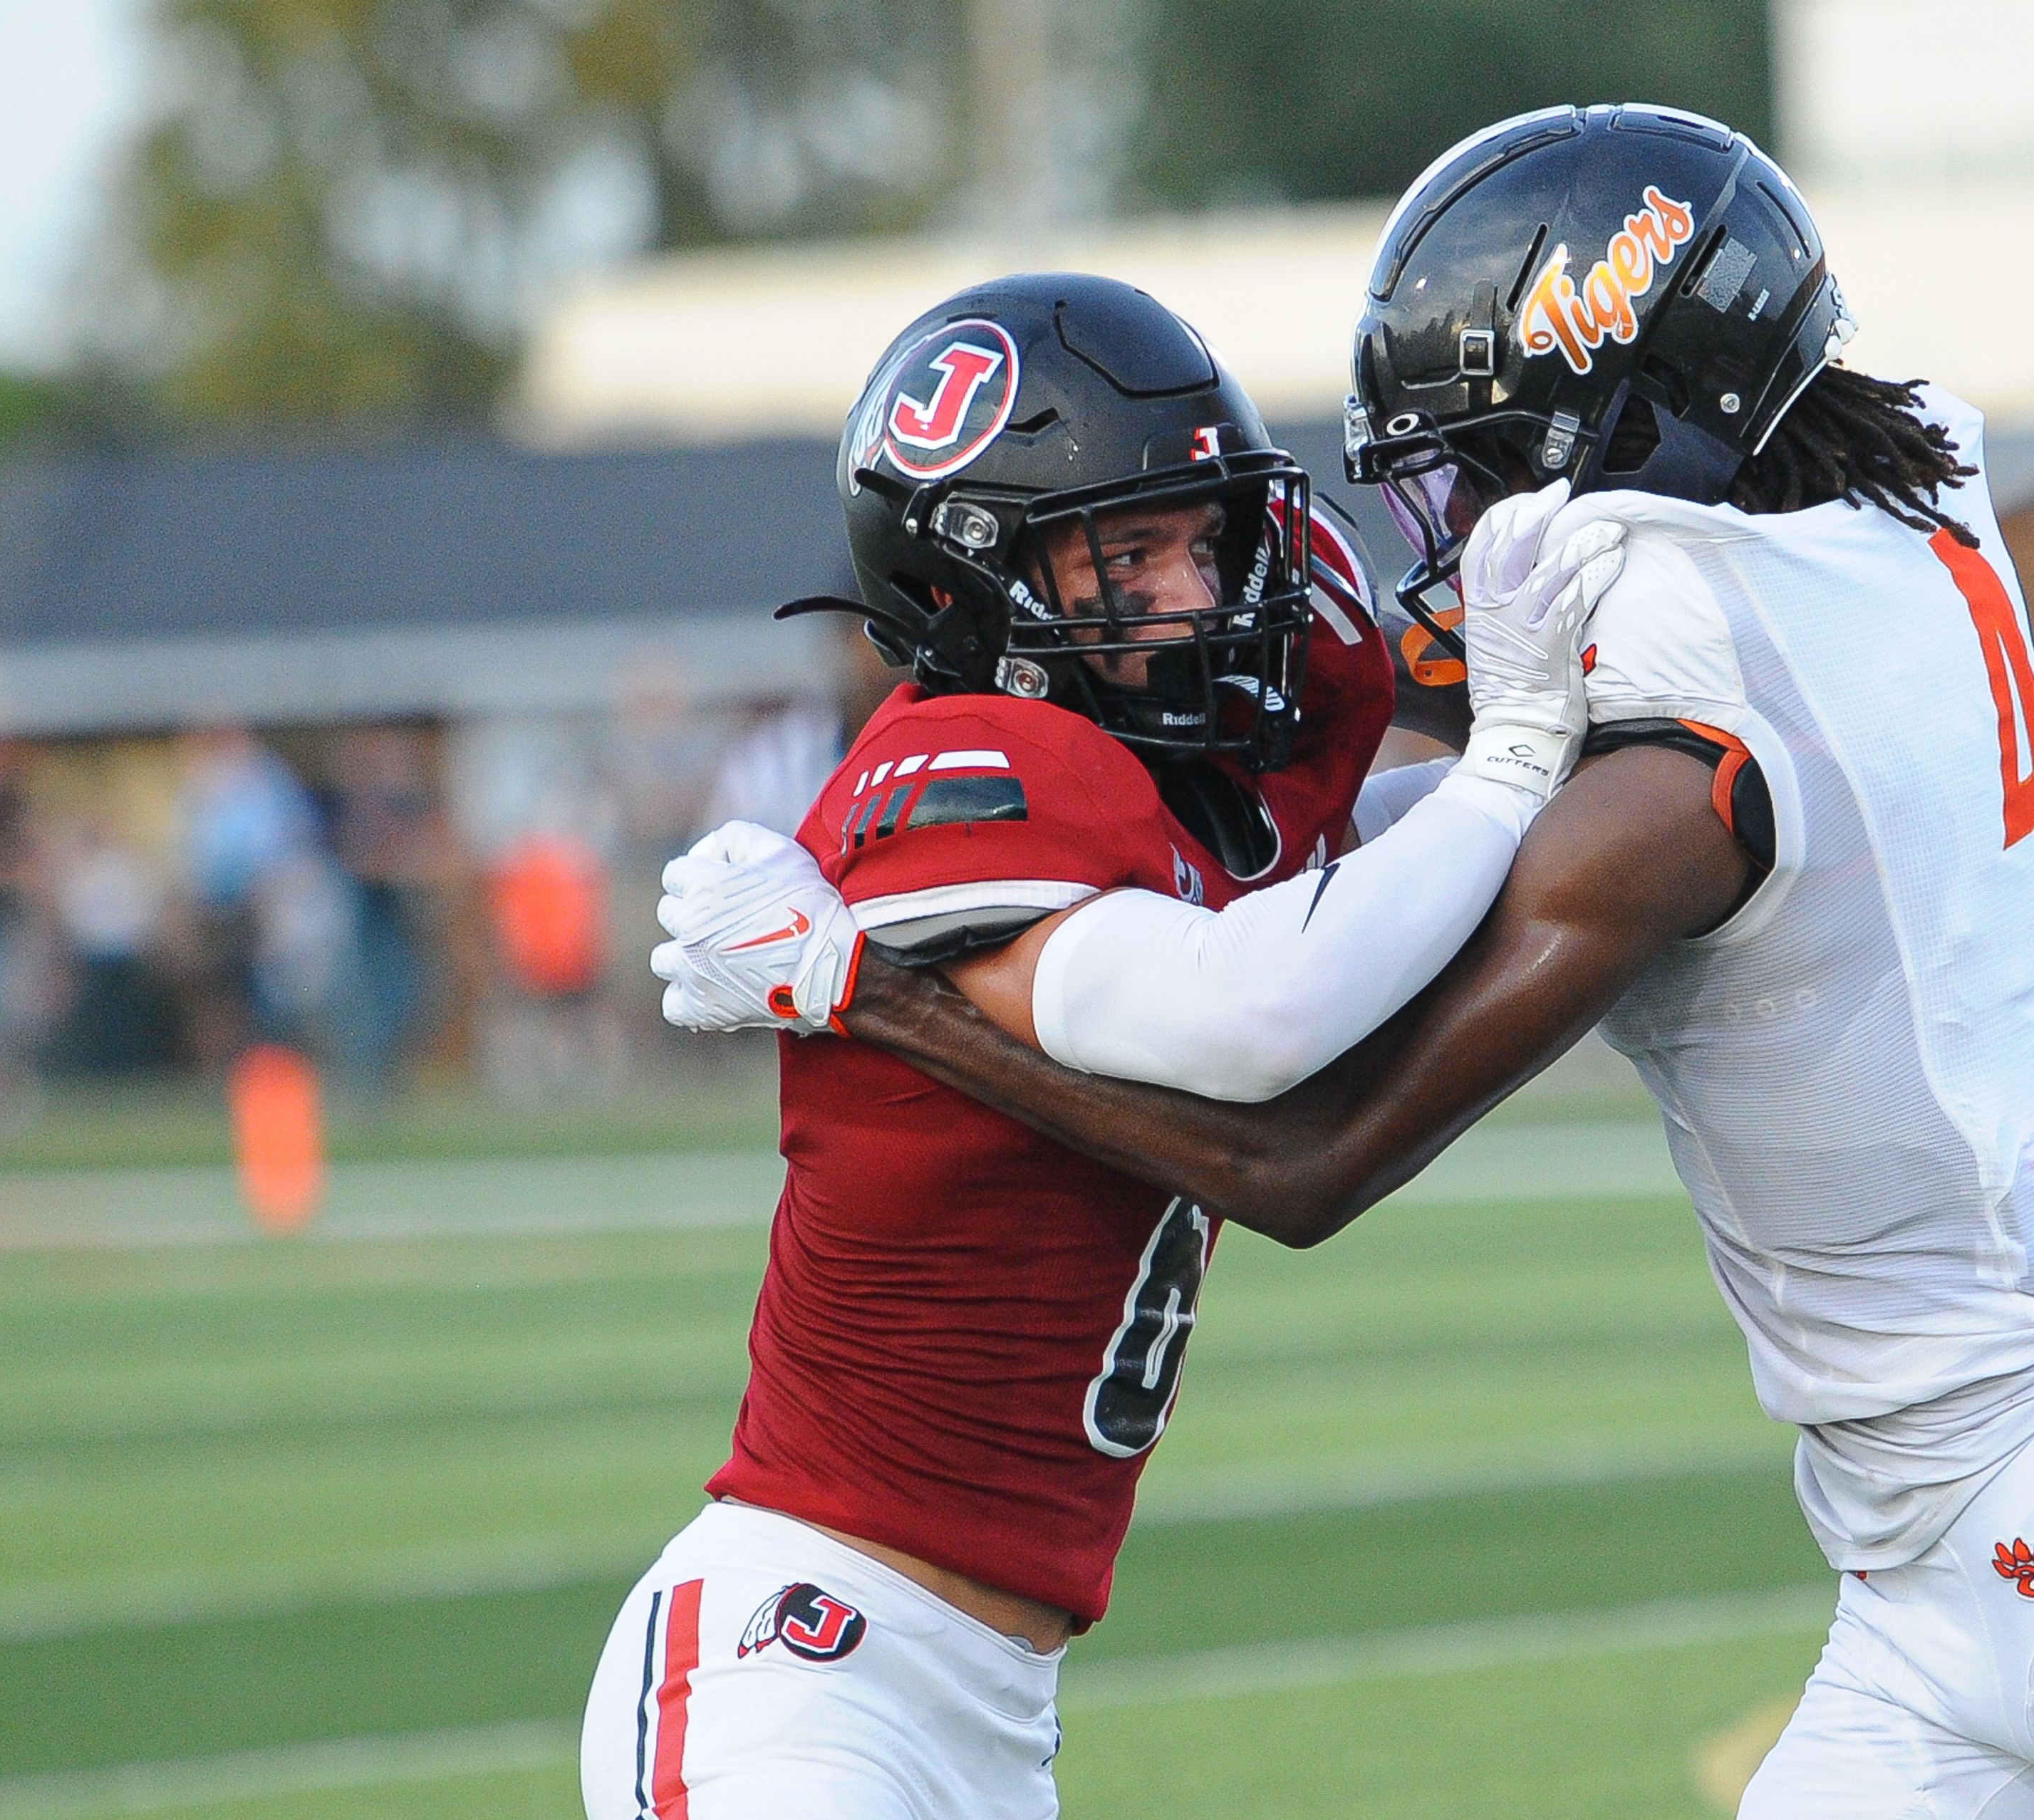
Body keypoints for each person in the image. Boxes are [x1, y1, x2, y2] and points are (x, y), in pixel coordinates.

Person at [660, 110, 2034, 1820]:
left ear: (1627, 443)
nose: (1446, 532)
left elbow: (1303, 1159)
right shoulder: (1904, 510)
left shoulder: (1682, 787)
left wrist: (878, 994)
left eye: (1483, 468)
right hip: (1925, 1557)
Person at [589, 271, 1616, 1818]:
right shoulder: (965, 761)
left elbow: (1367, 887)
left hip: (987, 1704)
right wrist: (1516, 760)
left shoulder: (1181, 803)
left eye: (1200, 542)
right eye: (1131, 557)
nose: (1199, 594)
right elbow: (1259, 1011)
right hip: (801, 1670)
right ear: (974, 589)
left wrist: (1548, 771)